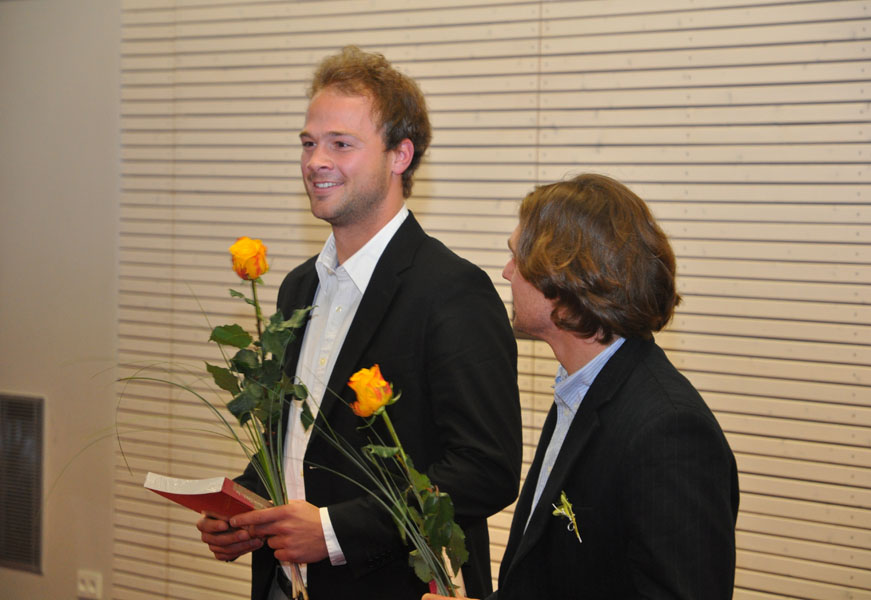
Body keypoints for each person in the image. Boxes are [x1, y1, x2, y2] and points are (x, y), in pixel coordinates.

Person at [196, 45, 522, 600]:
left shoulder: (453, 292)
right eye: (308, 143)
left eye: (340, 144)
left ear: (400, 155)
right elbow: (298, 441)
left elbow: (484, 470)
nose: (315, 161)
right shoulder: (299, 287)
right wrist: (245, 508)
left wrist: (333, 532)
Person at [425, 173, 739, 600]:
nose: (506, 272)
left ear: (563, 276)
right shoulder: (582, 390)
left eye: (517, 257)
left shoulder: (669, 431)